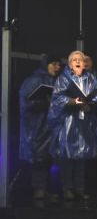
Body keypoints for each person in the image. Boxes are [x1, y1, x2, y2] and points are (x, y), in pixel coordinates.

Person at [47, 50, 97, 200]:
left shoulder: (91, 79)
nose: (79, 61)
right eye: (75, 60)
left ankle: (80, 188)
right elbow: (57, 98)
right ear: (70, 64)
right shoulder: (64, 79)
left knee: (81, 157)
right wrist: (72, 102)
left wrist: (90, 106)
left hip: (85, 121)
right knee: (68, 156)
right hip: (69, 121)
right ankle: (67, 188)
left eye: (81, 59)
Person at [19, 54, 62, 200]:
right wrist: (44, 103)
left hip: (50, 127)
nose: (57, 67)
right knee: (39, 159)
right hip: (36, 127)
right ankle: (38, 190)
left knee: (47, 159)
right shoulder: (34, 80)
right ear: (46, 64)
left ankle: (44, 190)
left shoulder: (56, 81)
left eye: (58, 64)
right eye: (53, 64)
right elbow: (26, 103)